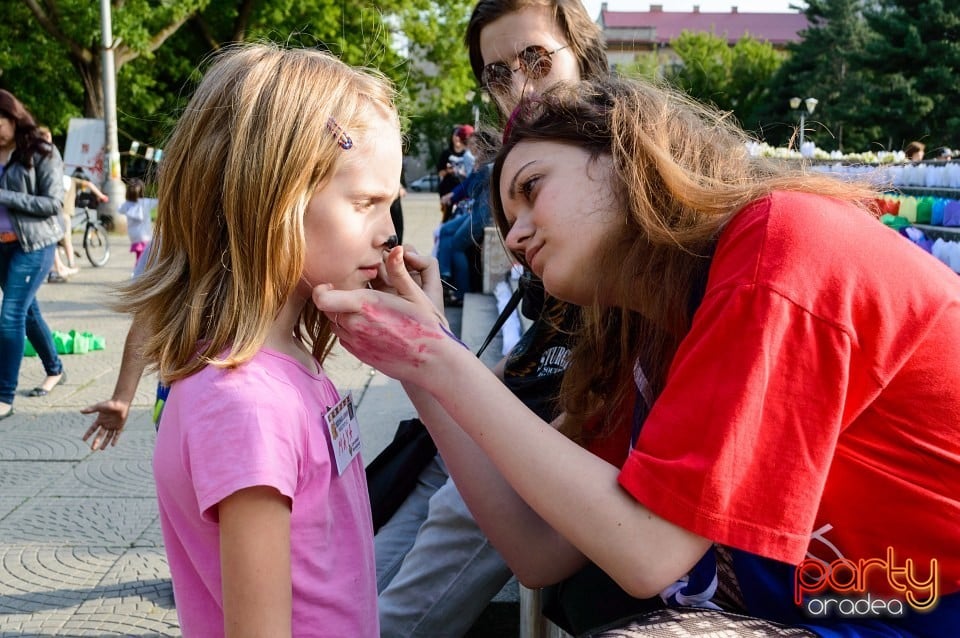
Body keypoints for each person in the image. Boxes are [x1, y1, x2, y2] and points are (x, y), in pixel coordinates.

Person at [315, 76, 960, 635]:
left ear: (625, 153)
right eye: (507, 218)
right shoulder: (646, 333)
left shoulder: (778, 246)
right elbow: (538, 551)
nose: (514, 234)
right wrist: (423, 371)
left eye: (532, 188)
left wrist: (437, 357)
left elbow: (652, 551)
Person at [115, 43, 408, 636]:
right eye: (367, 203)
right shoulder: (247, 403)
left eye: (392, 202)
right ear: (277, 202)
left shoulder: (279, 365)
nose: (389, 232)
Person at [373, 2, 618, 636]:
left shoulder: (621, 166)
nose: (521, 87)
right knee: (368, 551)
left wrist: (441, 368)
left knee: (456, 509)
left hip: (568, 433)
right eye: (498, 74)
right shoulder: (532, 158)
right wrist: (439, 349)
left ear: (583, 54)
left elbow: (611, 389)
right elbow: (543, 341)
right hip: (532, 404)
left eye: (536, 60)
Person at [0, 90, 68, 420]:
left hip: (34, 245)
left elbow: (51, 203)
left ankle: (3, 396)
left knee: (10, 315)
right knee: (27, 313)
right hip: (3, 247)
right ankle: (55, 369)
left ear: (15, 119)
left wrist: (5, 196)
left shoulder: (41, 151)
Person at [118, 178, 155, 268]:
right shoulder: (145, 202)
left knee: (140, 256)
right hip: (144, 236)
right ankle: (139, 272)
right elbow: (159, 202)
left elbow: (119, 210)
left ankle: (139, 271)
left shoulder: (126, 204)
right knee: (143, 258)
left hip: (133, 236)